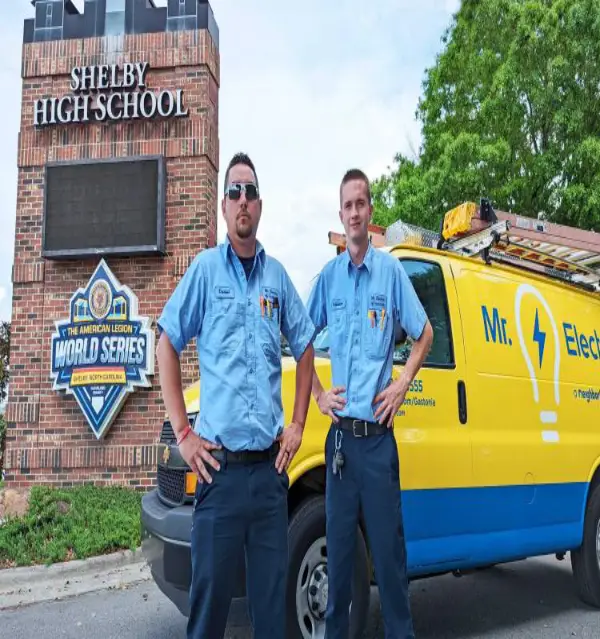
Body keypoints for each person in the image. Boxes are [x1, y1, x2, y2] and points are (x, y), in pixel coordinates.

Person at [156, 152, 316, 639]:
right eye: (233, 192)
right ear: (224, 209)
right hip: (218, 477)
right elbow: (165, 341)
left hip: (270, 479)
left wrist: (298, 425)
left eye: (249, 191)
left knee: (271, 613)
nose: (242, 200)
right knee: (208, 615)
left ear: (259, 206)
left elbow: (306, 345)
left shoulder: (277, 279)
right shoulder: (205, 272)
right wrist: (183, 433)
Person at [306, 168, 433, 639]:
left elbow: (424, 333)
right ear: (341, 214)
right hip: (341, 447)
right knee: (339, 567)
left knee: (391, 564)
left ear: (370, 212)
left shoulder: (390, 273)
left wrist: (400, 385)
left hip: (379, 446)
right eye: (348, 205)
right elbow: (299, 333)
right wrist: (318, 394)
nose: (355, 212)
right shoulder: (330, 278)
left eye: (361, 203)